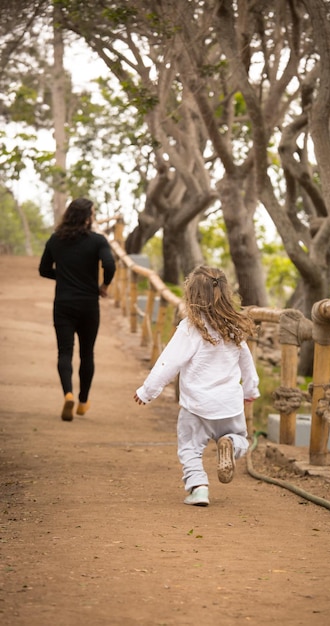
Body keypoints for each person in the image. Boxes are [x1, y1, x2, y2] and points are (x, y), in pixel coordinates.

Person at [133, 265, 260, 507]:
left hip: (197, 406)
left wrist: (147, 391)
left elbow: (169, 361)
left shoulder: (190, 328)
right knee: (241, 438)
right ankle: (230, 445)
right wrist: (251, 390)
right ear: (225, 293)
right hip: (229, 405)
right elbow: (247, 362)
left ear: (191, 296)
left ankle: (199, 488)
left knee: (190, 447)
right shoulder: (234, 328)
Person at [39, 197, 116, 422]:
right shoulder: (97, 241)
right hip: (88, 305)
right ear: (87, 217)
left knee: (64, 352)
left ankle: (68, 394)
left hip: (63, 303)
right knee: (87, 353)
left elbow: (43, 270)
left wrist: (63, 277)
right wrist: (104, 285)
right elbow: (110, 265)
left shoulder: (55, 240)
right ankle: (82, 402)